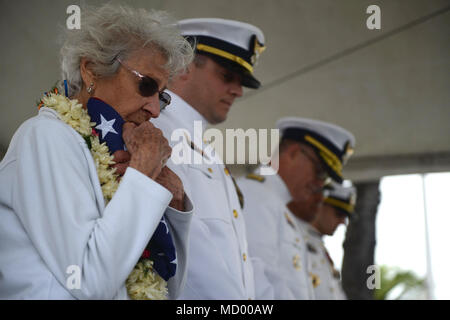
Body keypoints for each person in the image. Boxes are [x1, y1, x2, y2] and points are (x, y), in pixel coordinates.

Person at [0, 4, 195, 299]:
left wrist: (176, 199)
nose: (155, 110)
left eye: (162, 97)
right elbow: (88, 281)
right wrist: (142, 174)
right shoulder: (47, 136)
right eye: (146, 85)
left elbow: (171, 290)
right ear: (91, 70)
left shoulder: (120, 157)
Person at [152, 18, 272, 299]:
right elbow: (187, 246)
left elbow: (238, 255)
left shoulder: (204, 145)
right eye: (227, 76)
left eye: (241, 81)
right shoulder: (158, 129)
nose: (238, 91)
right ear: (183, 65)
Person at [238, 117, 355, 299]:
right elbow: (258, 284)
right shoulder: (256, 196)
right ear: (293, 153)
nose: (319, 184)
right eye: (320, 171)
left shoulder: (276, 204)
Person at [306, 181, 357, 299]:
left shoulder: (320, 249)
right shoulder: (297, 239)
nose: (343, 222)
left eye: (346, 217)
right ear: (320, 204)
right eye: (339, 214)